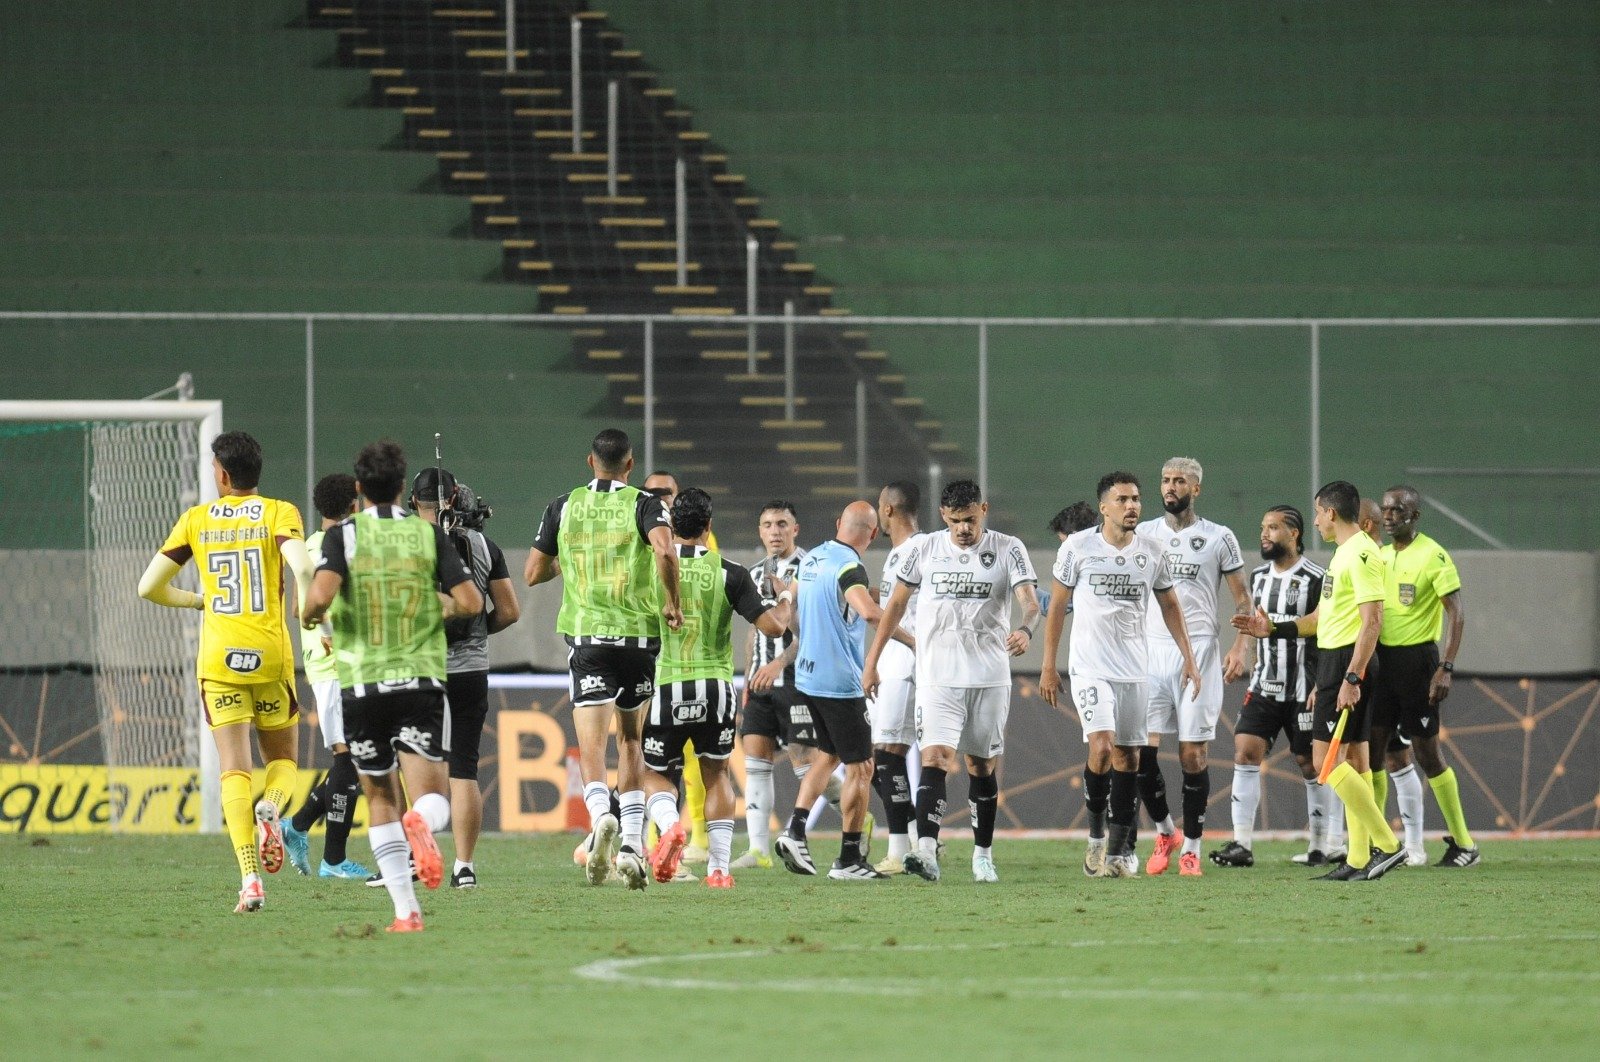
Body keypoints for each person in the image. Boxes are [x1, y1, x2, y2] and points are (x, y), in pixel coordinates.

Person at [300, 441, 482, 931]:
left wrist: (312, 613)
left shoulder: (345, 536)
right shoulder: (427, 538)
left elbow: (320, 598)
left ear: (358, 490)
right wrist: (436, 605)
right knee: (432, 796)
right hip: (419, 678)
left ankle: (407, 912)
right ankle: (419, 822)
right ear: (402, 488)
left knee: (379, 794)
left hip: (361, 682)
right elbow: (469, 602)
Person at [138, 430, 314, 913]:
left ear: (221, 472)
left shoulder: (195, 519)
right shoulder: (281, 512)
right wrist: (307, 607)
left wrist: (200, 601)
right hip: (270, 655)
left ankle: (249, 881)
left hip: (219, 660)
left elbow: (148, 587)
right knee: (284, 762)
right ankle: (273, 808)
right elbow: (301, 566)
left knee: (234, 769)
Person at [525, 429, 682, 890]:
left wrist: (571, 560)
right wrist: (672, 602)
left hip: (589, 639)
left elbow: (534, 572)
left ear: (589, 462)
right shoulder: (646, 503)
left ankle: (599, 822)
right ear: (630, 465)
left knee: (592, 746)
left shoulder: (563, 506)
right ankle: (631, 844)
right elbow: (665, 550)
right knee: (631, 743)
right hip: (637, 639)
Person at [864, 480, 1039, 883]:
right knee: (936, 758)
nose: (964, 529)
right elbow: (894, 607)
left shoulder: (1008, 548)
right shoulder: (923, 550)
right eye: (957, 521)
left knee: (981, 765)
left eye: (971, 520)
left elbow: (1030, 603)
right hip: (937, 676)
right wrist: (871, 662)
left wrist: (1026, 630)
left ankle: (983, 854)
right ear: (944, 516)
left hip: (989, 676)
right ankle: (925, 851)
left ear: (984, 510)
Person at [1234, 480, 1406, 881]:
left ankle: (1388, 844)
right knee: (1356, 763)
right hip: (1339, 660)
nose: (1315, 521)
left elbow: (1373, 621)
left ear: (1330, 512)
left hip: (1346, 662)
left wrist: (1351, 675)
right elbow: (1320, 621)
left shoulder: (1362, 553)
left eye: (1317, 513)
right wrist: (1272, 629)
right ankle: (1359, 860)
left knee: (1324, 764)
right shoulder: (1344, 554)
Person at [1039, 472, 1200, 878]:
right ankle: (1095, 839)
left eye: (1136, 499)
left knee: (1130, 757)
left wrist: (1189, 657)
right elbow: (1057, 607)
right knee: (1102, 747)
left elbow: (1170, 606)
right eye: (1123, 499)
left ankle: (1118, 852)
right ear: (1104, 508)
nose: (1132, 506)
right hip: (1091, 667)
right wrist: (1048, 665)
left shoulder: (1152, 550)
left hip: (1134, 669)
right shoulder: (1078, 547)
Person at [638, 488, 793, 888]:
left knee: (654, 774)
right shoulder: (731, 572)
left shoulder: (650, 570)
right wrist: (787, 599)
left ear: (671, 526)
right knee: (717, 774)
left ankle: (671, 827)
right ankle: (720, 870)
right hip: (716, 689)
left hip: (667, 685)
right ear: (709, 527)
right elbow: (773, 628)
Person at [774, 501, 913, 881]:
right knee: (863, 766)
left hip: (806, 677)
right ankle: (849, 859)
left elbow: (794, 602)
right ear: (872, 534)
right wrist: (912, 641)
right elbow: (868, 612)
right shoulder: (850, 567)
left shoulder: (813, 558)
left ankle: (795, 831)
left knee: (828, 755)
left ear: (839, 524)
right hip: (839, 683)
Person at [1134, 457, 1250, 877]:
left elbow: (1243, 599)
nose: (1170, 487)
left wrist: (1241, 645)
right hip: (1150, 652)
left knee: (1193, 755)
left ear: (1196, 489)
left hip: (1199, 652)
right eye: (1165, 480)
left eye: (1179, 481)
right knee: (1138, 754)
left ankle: (1193, 850)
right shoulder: (1143, 533)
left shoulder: (1219, 537)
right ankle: (1166, 831)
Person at [411, 466, 521, 889]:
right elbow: (510, 611)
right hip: (470, 668)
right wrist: (478, 632)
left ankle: (416, 855)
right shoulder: (482, 544)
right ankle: (465, 866)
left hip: (421, 668)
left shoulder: (405, 545)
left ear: (411, 502)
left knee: (419, 763)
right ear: (456, 499)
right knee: (464, 768)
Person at [1208, 506, 1330, 868]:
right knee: (1245, 751)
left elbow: (1328, 630)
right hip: (1264, 685)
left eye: (1273, 528)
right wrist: (1241, 650)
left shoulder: (1317, 578)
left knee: (1310, 764)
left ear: (1294, 534)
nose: (1264, 534)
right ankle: (1241, 845)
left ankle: (1321, 846)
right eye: (1263, 527)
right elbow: (1253, 625)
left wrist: (1323, 681)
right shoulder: (1258, 577)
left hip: (1304, 688)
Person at [1371, 486, 1477, 868]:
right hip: (1382, 664)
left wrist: (1445, 667)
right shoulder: (1379, 556)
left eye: (1397, 510)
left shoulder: (1433, 555)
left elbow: (1458, 613)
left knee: (1427, 754)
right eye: (1385, 509)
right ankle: (1380, 843)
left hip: (1418, 664)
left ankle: (1464, 844)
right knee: (1373, 753)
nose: (1388, 516)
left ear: (1415, 516)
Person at [733, 500, 841, 868]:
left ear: (795, 529)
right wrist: (747, 681)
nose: (774, 531)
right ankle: (759, 850)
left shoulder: (810, 569)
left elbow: (811, 630)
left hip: (800, 680)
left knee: (805, 765)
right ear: (759, 531)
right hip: (761, 684)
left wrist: (779, 662)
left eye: (782, 524)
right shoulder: (752, 573)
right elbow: (754, 632)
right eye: (767, 524)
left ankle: (857, 816)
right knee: (756, 763)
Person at [281, 473, 371, 881]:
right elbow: (313, 603)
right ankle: (331, 859)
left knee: (351, 758)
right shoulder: (339, 547)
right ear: (353, 503)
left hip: (336, 663)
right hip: (335, 664)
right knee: (347, 758)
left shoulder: (311, 546)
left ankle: (297, 826)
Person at [639, 470, 710, 874]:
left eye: (665, 492)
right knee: (663, 763)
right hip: (657, 666)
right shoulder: (643, 530)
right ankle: (657, 839)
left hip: (675, 668)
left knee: (674, 766)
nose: (659, 497)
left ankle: (683, 836)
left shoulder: (692, 540)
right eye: (652, 493)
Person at [865, 480, 925, 874]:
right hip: (898, 665)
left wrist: (872, 662)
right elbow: (892, 603)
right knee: (886, 757)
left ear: (887, 509)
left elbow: (896, 615)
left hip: (903, 667)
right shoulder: (902, 553)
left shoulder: (917, 550)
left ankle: (902, 847)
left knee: (886, 755)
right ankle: (915, 840)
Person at [1038, 502, 1097, 619]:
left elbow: (1050, 607)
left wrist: (1018, 580)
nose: (1062, 548)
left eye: (1063, 542)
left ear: (1075, 537)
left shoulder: (1083, 566)